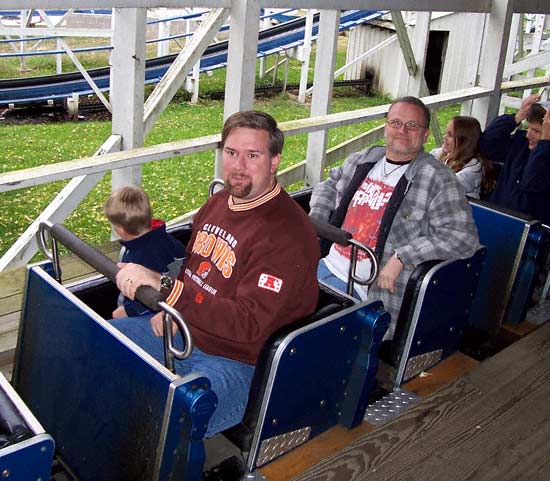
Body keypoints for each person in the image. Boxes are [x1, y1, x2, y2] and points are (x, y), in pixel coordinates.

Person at [110, 111, 320, 436]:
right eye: (231, 153)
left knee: (167, 419)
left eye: (253, 155)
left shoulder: (287, 235)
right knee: (100, 345)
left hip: (240, 360)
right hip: (183, 330)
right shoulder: (218, 203)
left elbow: (248, 325)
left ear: (275, 160)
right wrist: (170, 311)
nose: (238, 166)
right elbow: (193, 270)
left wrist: (168, 291)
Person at [309, 96, 480, 339]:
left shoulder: (438, 179)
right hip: (323, 264)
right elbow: (328, 185)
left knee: (299, 331)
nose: (402, 131)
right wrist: (316, 222)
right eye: (396, 122)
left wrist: (402, 256)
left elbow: (463, 237)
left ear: (425, 134)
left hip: (362, 291)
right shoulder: (364, 159)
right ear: (386, 126)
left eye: (412, 126)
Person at [104, 185, 185, 318]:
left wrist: (127, 311)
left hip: (154, 311)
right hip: (174, 299)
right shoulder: (166, 239)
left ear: (120, 230)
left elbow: (143, 292)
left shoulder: (138, 258)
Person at [478, 92, 550, 225]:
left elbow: (530, 182)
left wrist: (545, 146)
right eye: (528, 128)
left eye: (536, 131)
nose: (528, 135)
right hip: (495, 217)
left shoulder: (544, 156)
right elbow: (486, 145)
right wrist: (518, 116)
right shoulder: (521, 145)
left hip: (526, 232)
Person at [430, 116, 494, 199]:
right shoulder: (443, 153)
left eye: (450, 135)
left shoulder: (474, 167)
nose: (444, 137)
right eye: (446, 133)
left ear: (464, 142)